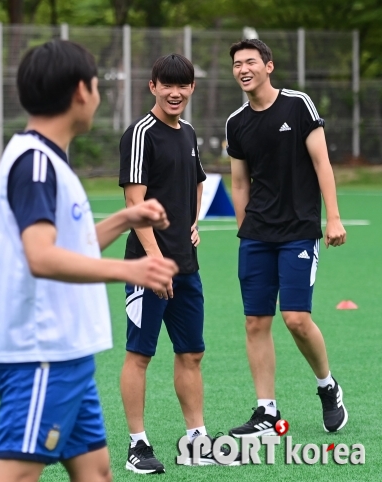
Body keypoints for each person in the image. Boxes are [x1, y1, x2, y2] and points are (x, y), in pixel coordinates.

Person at [0, 40, 178, 482]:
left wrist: (124, 219)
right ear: (81, 91)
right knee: (17, 474)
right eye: (98, 85)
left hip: (67, 354)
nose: (99, 95)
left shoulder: (46, 159)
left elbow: (68, 246)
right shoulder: (36, 164)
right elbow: (41, 257)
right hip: (42, 353)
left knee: (96, 472)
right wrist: (131, 269)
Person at [226, 39, 348, 437]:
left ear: (269, 66)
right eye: (237, 64)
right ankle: (266, 411)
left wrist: (333, 218)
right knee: (255, 322)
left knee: (296, 319)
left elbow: (321, 162)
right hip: (257, 234)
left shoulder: (298, 104)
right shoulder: (236, 122)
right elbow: (240, 181)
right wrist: (244, 229)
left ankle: (327, 386)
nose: (243, 69)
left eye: (250, 62)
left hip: (298, 230)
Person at [118, 53, 234, 472]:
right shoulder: (140, 134)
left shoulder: (187, 132)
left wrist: (193, 223)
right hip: (147, 268)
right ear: (152, 87)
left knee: (191, 353)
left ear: (192, 89)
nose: (174, 92)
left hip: (187, 265)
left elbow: (199, 182)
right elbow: (134, 201)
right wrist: (155, 259)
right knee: (140, 355)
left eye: (182, 85)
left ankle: (197, 439)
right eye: (166, 84)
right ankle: (137, 444)